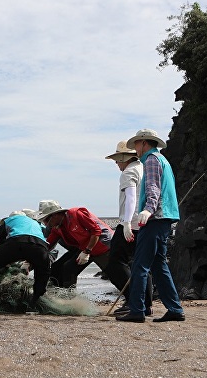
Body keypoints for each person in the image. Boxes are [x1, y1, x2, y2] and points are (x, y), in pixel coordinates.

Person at [117, 129, 185, 323]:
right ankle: (175, 308)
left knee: (140, 264)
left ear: (145, 143)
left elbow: (153, 187)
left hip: (155, 218)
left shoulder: (151, 160)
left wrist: (148, 210)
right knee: (158, 264)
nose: (136, 149)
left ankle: (137, 310)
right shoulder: (163, 160)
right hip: (165, 218)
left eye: (137, 144)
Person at [103, 141, 153, 316]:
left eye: (117, 160)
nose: (117, 164)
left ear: (125, 158)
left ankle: (134, 301)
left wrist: (125, 223)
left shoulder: (129, 171)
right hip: (145, 223)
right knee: (140, 265)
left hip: (130, 224)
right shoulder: (144, 168)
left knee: (115, 264)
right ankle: (145, 305)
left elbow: (131, 198)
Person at [35, 200, 117, 289]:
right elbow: (48, 245)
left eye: (47, 220)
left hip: (103, 246)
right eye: (44, 221)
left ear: (55, 215)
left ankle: (130, 298)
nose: (46, 224)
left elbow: (96, 231)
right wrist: (31, 261)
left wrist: (87, 251)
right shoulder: (57, 227)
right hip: (85, 249)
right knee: (68, 268)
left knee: (115, 275)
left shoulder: (75, 214)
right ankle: (68, 296)